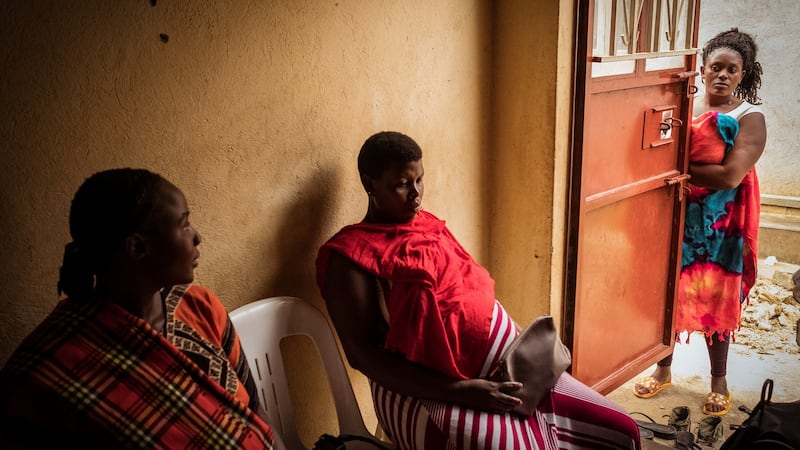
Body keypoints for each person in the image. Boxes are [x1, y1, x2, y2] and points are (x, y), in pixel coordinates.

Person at [316, 131, 641, 449]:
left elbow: (467, 293)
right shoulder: (350, 260)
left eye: (419, 180)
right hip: (428, 393)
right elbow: (365, 358)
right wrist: (463, 390)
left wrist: (517, 350)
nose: (416, 194)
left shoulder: (424, 224)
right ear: (369, 184)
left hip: (510, 368)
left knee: (623, 430)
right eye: (402, 184)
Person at [0, 168, 275, 449]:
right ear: (137, 248)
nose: (197, 237)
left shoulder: (200, 307)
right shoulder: (46, 376)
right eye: (184, 225)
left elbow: (255, 410)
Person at [633, 28, 767, 417]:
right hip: (677, 215)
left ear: (744, 74)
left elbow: (729, 176)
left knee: (716, 295)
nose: (722, 75)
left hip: (724, 226)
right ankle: (663, 369)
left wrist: (675, 169)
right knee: (668, 291)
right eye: (716, 68)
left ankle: (719, 381)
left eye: (732, 69)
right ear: (702, 70)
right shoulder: (682, 107)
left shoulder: (749, 117)